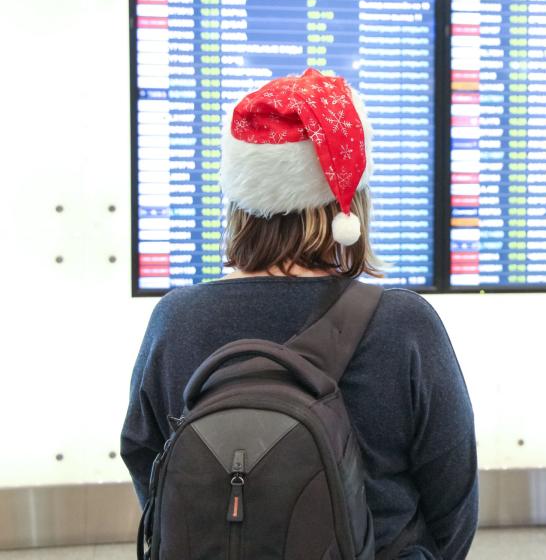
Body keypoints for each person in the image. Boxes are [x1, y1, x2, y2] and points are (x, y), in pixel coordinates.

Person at [121, 69, 479, 559]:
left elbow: (148, 463)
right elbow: (453, 499)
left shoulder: (177, 319)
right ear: (348, 205)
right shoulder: (404, 324)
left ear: (240, 206)